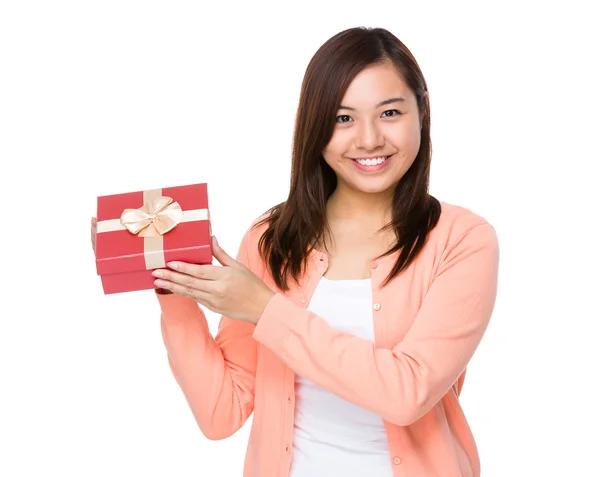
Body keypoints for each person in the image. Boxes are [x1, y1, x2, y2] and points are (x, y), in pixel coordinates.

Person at [91, 26, 500, 477]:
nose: (368, 139)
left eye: (389, 112)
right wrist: (173, 285)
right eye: (343, 118)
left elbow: (407, 392)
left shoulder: (462, 239)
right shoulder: (271, 241)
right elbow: (220, 413)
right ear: (315, 124)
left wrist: (266, 310)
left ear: (421, 110)